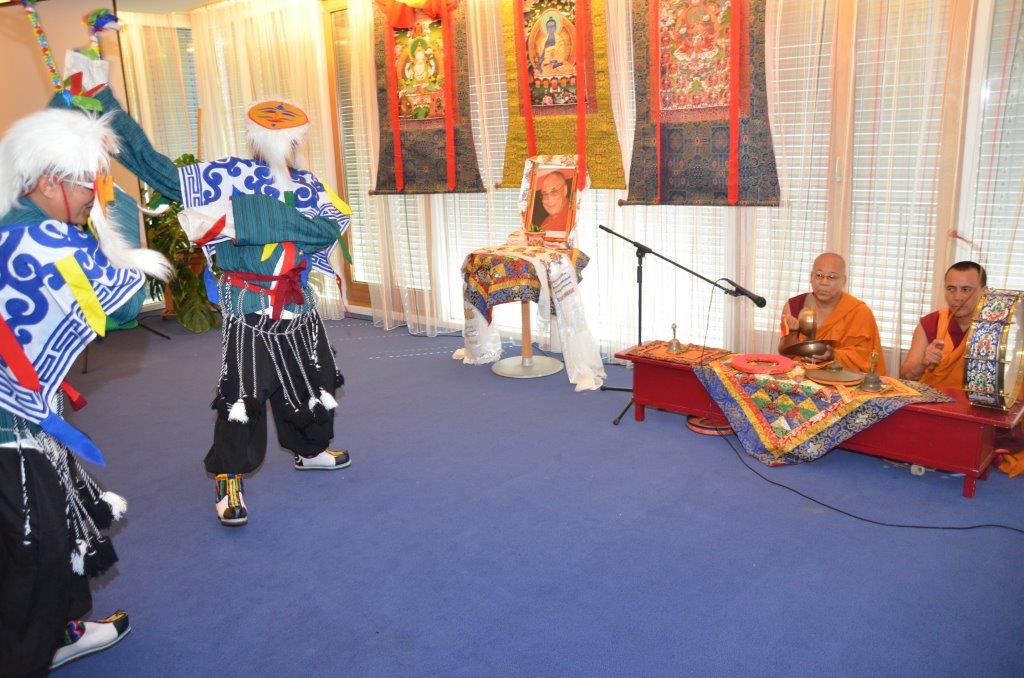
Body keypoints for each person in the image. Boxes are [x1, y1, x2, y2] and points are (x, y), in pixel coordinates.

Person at [76, 76, 353, 527]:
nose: (284, 144)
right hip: (248, 302)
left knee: (312, 378)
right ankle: (229, 477)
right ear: (254, 137)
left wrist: (241, 217)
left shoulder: (309, 183)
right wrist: (103, 103)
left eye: (291, 138)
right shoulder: (224, 174)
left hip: (298, 302)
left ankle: (310, 449)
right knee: (243, 394)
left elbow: (327, 230)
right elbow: (159, 171)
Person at [0, 106, 170, 674]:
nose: (93, 196)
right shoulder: (49, 239)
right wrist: (110, 231)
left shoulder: (10, 221)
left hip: (20, 410)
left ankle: (63, 630)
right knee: (36, 548)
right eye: (87, 183)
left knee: (44, 531)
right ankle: (28, 651)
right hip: (10, 424)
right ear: (50, 182)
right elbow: (121, 306)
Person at [779, 253, 886, 374]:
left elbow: (867, 357)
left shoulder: (859, 312)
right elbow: (784, 352)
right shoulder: (794, 306)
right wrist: (792, 333)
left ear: (843, 281)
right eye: (819, 275)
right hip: (800, 377)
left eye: (832, 277)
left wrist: (834, 356)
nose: (824, 282)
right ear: (811, 277)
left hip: (842, 380)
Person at [900, 261, 987, 388]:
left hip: (971, 400)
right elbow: (906, 376)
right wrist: (923, 362)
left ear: (984, 292)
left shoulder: (991, 328)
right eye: (951, 289)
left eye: (966, 290)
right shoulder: (932, 322)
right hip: (930, 398)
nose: (957, 297)